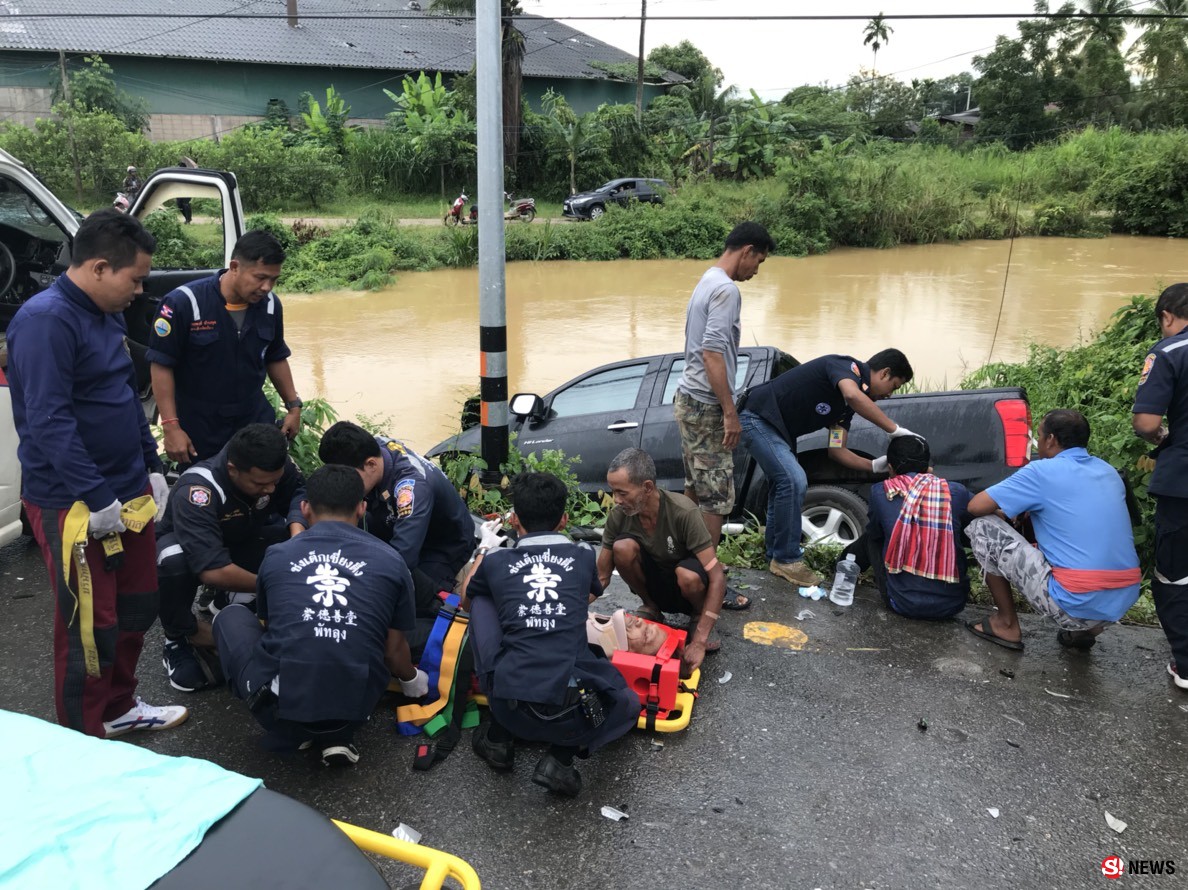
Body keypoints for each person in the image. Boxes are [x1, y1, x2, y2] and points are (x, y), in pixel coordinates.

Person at [7, 208, 187, 738]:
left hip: (126, 492)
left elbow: (124, 397)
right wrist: (95, 495)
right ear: (101, 267)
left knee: (136, 606)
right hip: (74, 502)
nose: (139, 291)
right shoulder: (46, 322)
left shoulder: (104, 312)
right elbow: (49, 421)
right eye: (135, 279)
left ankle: (119, 707)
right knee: (90, 626)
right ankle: (83, 740)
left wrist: (150, 466)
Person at [212, 464, 428, 765]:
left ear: (305, 508)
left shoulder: (277, 555)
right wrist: (413, 680)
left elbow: (275, 628)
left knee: (230, 616)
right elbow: (393, 651)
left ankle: (297, 732)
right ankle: (338, 736)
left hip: (279, 708)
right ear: (362, 508)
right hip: (358, 707)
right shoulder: (392, 561)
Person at [463, 472, 638, 797]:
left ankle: (499, 741)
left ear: (514, 521)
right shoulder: (583, 554)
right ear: (564, 519)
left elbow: (465, 599)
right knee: (626, 703)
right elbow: (590, 595)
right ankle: (559, 759)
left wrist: (484, 551)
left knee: (483, 596)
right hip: (573, 716)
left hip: (508, 706)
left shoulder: (498, 561)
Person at [964, 409, 1141, 651]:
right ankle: (1081, 632)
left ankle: (1005, 624)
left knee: (982, 527)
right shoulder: (1108, 471)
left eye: (1038, 435)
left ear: (1051, 440)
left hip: (1075, 602)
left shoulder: (1041, 471)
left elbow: (976, 506)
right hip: (1123, 598)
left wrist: (1004, 513)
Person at [738, 349, 917, 587]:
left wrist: (875, 465)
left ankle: (775, 556)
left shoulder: (845, 409)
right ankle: (786, 559)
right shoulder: (844, 367)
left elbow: (837, 451)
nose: (889, 395)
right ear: (885, 373)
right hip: (757, 417)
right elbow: (853, 395)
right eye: (893, 386)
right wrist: (894, 430)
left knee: (782, 486)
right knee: (793, 480)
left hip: (778, 431)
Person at [156, 423, 307, 692]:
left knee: (294, 540)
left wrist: (297, 529)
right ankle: (179, 635)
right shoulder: (197, 491)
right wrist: (272, 584)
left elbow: (299, 493)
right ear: (233, 470)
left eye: (275, 480)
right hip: (193, 552)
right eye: (261, 484)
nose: (271, 489)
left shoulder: (270, 467)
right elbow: (212, 569)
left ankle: (228, 600)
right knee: (173, 561)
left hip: (240, 537)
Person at [147, 229, 302, 464]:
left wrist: (293, 406)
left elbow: (275, 356)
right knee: (204, 493)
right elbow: (161, 366)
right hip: (202, 428)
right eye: (260, 277)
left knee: (261, 488)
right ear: (235, 266)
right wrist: (171, 427)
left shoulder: (270, 306)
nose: (267, 287)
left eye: (274, 279)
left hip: (253, 421)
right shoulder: (184, 303)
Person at [673, 222, 775, 555]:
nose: (756, 271)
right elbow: (712, 354)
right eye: (758, 262)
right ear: (747, 251)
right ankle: (704, 574)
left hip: (688, 398)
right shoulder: (727, 290)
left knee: (695, 488)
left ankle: (682, 560)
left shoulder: (707, 279)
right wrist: (730, 413)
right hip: (706, 405)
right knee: (716, 497)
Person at [318, 421, 475, 620]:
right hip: (393, 516)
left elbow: (403, 557)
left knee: (412, 603)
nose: (345, 484)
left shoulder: (411, 489)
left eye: (350, 477)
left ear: (371, 464)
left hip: (442, 543)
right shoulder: (372, 449)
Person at [597, 447, 726, 676]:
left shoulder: (683, 512)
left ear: (647, 487)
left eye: (622, 493)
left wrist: (699, 641)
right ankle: (651, 607)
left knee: (687, 575)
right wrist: (567, 614)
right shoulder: (619, 515)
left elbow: (717, 577)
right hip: (655, 584)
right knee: (622, 547)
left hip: (688, 585)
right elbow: (602, 576)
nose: (616, 500)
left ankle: (698, 617)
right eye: (613, 492)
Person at [848, 435, 973, 620]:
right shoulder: (955, 491)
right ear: (928, 467)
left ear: (890, 468)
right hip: (953, 606)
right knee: (952, 526)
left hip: (902, 603)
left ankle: (842, 567)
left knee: (872, 537)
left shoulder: (881, 491)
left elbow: (876, 532)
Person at [1132, 283, 1188, 689]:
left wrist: (1162, 441)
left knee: (1175, 574)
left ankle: (1186, 665)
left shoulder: (1169, 352)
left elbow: (1147, 423)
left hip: (1184, 483)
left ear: (1167, 316)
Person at [175, 156, 196, 224]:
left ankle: (188, 219)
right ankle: (187, 218)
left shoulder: (189, 172)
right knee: (179, 204)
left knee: (186, 204)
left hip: (188, 190)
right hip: (179, 191)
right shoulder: (177, 173)